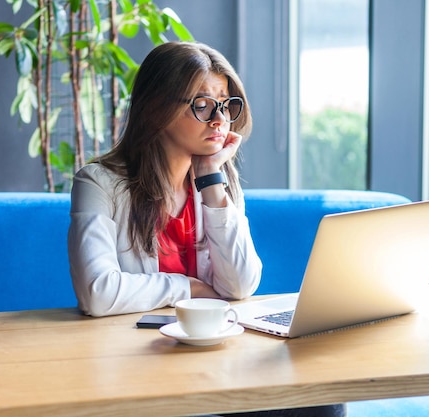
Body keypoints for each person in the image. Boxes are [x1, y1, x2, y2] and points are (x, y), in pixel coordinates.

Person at [67, 41, 345, 417]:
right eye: (202, 104)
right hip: (135, 362)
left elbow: (241, 285)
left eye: (226, 104)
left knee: (321, 404)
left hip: (216, 358)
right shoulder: (99, 183)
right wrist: (189, 287)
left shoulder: (219, 180)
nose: (219, 120)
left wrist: (213, 185)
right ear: (156, 108)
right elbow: (98, 293)